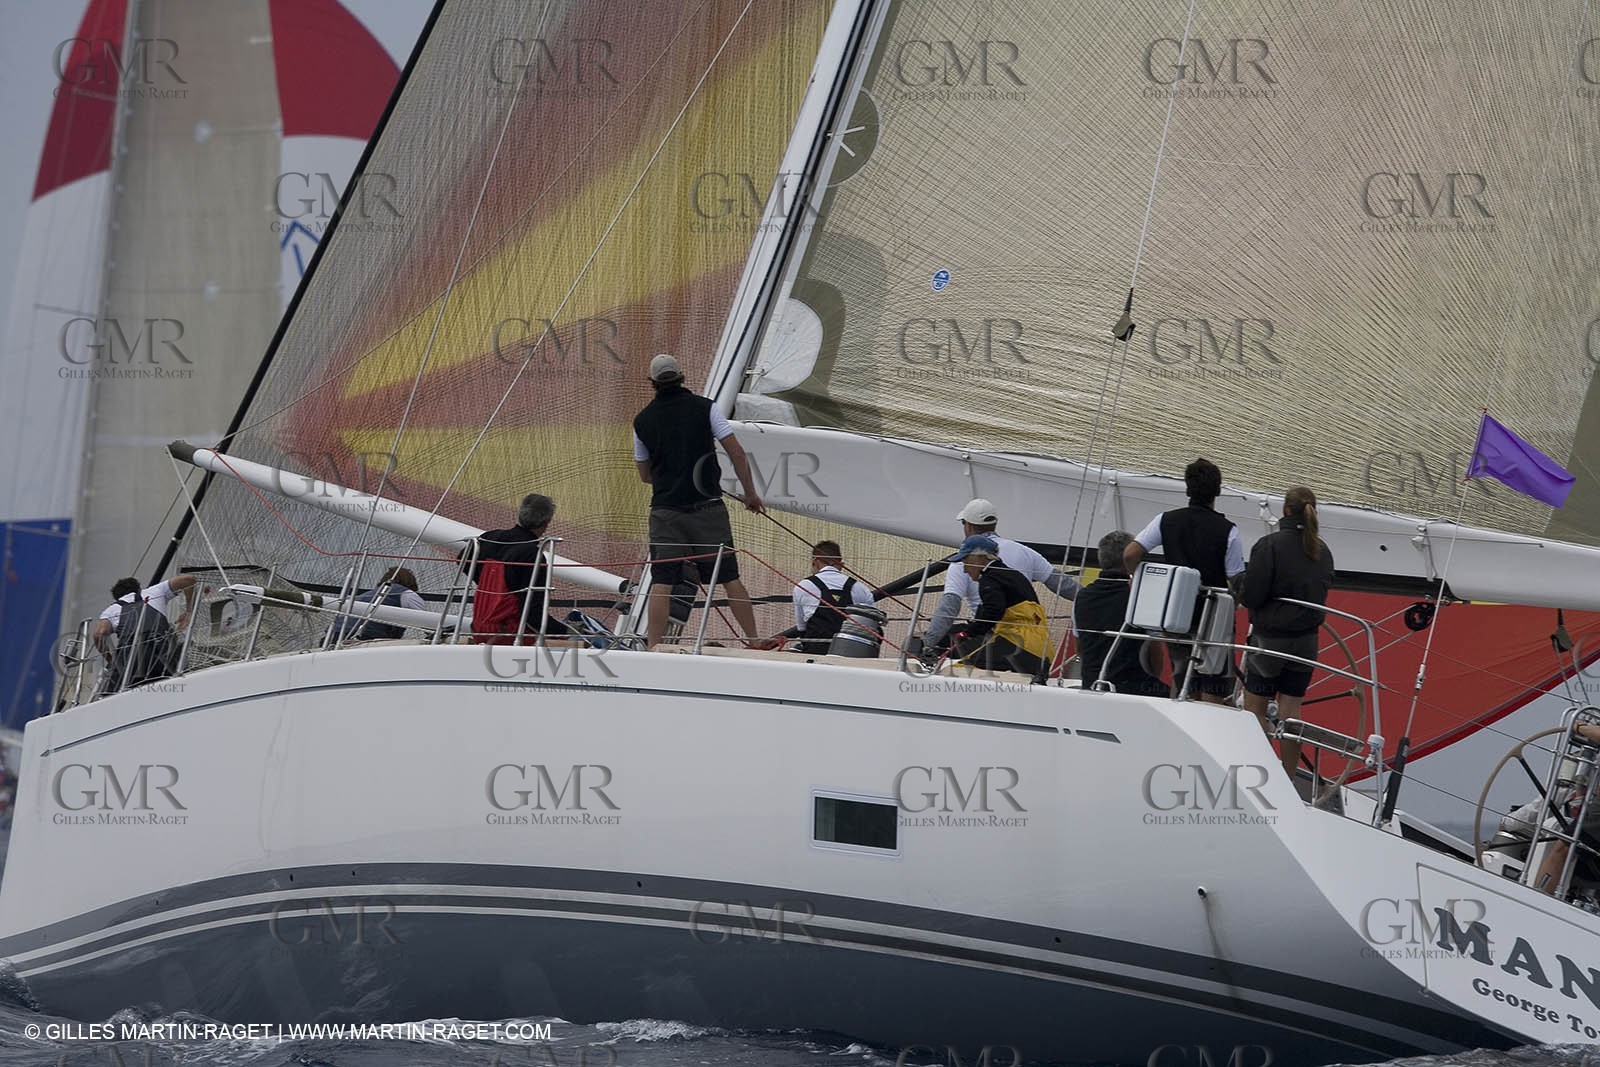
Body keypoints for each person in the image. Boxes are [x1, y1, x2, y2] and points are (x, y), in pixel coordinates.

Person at [633, 353, 763, 648]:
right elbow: (737, 453)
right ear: (682, 376)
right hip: (707, 509)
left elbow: (644, 475)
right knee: (729, 576)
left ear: (652, 382)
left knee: (662, 581)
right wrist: (750, 494)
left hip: (666, 512)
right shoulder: (706, 408)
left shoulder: (642, 421)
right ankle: (754, 641)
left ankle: (653, 648)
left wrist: (670, 479)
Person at [1124, 457, 1244, 704]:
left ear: (1187, 489)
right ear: (1218, 491)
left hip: (1177, 613)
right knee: (1214, 684)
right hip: (1214, 617)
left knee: (1182, 681)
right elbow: (1236, 578)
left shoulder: (1165, 520)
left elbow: (1130, 553)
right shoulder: (1228, 530)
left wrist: (1137, 580)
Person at [1235, 487, 1334, 775]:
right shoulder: (1322, 551)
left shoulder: (1269, 545)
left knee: (1256, 707)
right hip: (1306, 643)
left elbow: (1252, 596)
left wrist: (1239, 584)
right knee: (1291, 710)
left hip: (1270, 641)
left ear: (1286, 511)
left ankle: (1258, 772)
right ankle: (1288, 777)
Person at [923, 498, 1078, 654]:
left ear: (968, 525)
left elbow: (950, 607)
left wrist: (927, 643)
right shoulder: (1024, 552)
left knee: (921, 642)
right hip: (1031, 634)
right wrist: (1094, 598)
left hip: (992, 634)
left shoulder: (967, 560)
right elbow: (1064, 585)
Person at [463, 493, 572, 639]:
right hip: (511, 635)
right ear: (546, 523)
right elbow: (533, 615)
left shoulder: (490, 537)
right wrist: (568, 632)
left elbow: (462, 560)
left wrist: (487, 587)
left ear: (520, 515)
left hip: (479, 628)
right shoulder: (532, 555)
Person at [1072, 531, 1167, 696]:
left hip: (1091, 685)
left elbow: (1080, 649)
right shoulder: (1140, 596)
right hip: (1135, 688)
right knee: (1180, 693)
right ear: (1129, 560)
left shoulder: (1082, 597)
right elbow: (1154, 652)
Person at [948, 535, 1049, 682]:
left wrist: (967, 633)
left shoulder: (989, 579)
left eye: (965, 561)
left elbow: (993, 611)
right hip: (1042, 648)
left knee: (958, 672)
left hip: (1018, 643)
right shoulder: (1014, 575)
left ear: (980, 558)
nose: (964, 569)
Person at [753, 540, 876, 653]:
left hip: (816, 650)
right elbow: (872, 624)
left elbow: (801, 627)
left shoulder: (804, 586)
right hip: (850, 652)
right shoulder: (861, 588)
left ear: (815, 562)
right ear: (841, 564)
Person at [93, 573, 197, 690]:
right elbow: (188, 579)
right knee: (170, 685)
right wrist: (189, 611)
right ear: (138, 588)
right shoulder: (154, 591)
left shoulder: (111, 610)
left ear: (117, 597)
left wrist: (111, 660)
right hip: (161, 652)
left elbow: (99, 634)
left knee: (112, 694)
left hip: (129, 658)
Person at [328, 567, 427, 642]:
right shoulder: (407, 594)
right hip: (366, 637)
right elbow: (425, 620)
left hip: (331, 636)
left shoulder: (364, 596)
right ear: (411, 582)